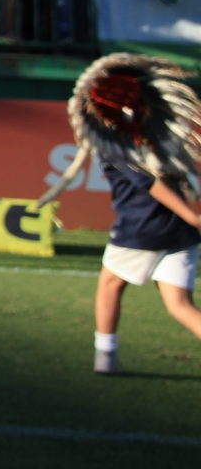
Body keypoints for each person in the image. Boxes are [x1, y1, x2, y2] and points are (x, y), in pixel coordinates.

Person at [93, 145, 201, 375]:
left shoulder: (116, 140)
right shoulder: (155, 135)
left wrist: (192, 216)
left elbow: (149, 182)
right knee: (180, 305)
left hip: (142, 229)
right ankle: (105, 356)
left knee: (110, 284)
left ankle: (105, 356)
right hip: (180, 233)